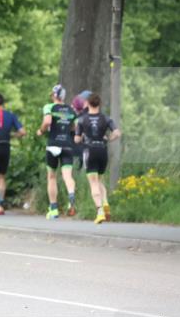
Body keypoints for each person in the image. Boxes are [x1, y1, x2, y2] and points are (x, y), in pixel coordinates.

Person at [75, 93, 121, 224]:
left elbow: (77, 139)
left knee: (93, 182)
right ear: (99, 104)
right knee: (100, 179)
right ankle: (105, 202)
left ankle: (100, 211)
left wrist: (81, 137)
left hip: (90, 151)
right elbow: (117, 133)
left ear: (88, 104)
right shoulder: (105, 118)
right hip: (102, 150)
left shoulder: (82, 119)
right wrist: (108, 139)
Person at [37, 84, 78, 220]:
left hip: (53, 145)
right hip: (67, 145)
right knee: (67, 175)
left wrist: (41, 130)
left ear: (55, 95)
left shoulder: (49, 107)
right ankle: (71, 195)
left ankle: (53, 209)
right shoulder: (71, 110)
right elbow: (76, 127)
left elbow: (48, 121)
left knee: (52, 176)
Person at [0, 93, 26, 215]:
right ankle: (0, 205)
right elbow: (23, 132)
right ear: (3, 103)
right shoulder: (11, 115)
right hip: (5, 147)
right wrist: (12, 135)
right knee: (2, 176)